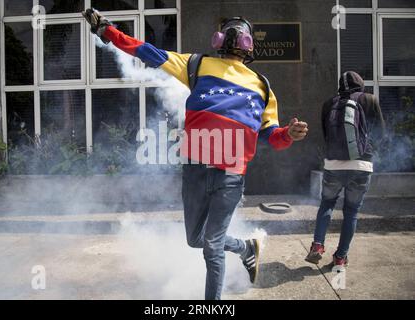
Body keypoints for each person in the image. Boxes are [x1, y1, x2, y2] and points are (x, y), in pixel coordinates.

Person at [82, 9, 308, 300]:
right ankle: (246, 248)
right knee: (195, 240)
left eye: (241, 33)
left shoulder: (262, 86)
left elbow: (271, 136)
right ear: (220, 38)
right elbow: (146, 51)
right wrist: (107, 31)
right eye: (232, 31)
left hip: (230, 175)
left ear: (249, 43)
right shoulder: (197, 64)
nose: (236, 37)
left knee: (212, 247)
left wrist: (288, 134)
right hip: (195, 169)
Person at [305, 71, 385, 269]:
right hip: (361, 165)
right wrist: (369, 150)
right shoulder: (370, 100)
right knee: (351, 212)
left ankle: (317, 245)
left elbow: (325, 134)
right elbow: (381, 132)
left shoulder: (328, 104)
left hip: (333, 164)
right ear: (361, 85)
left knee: (327, 204)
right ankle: (340, 257)